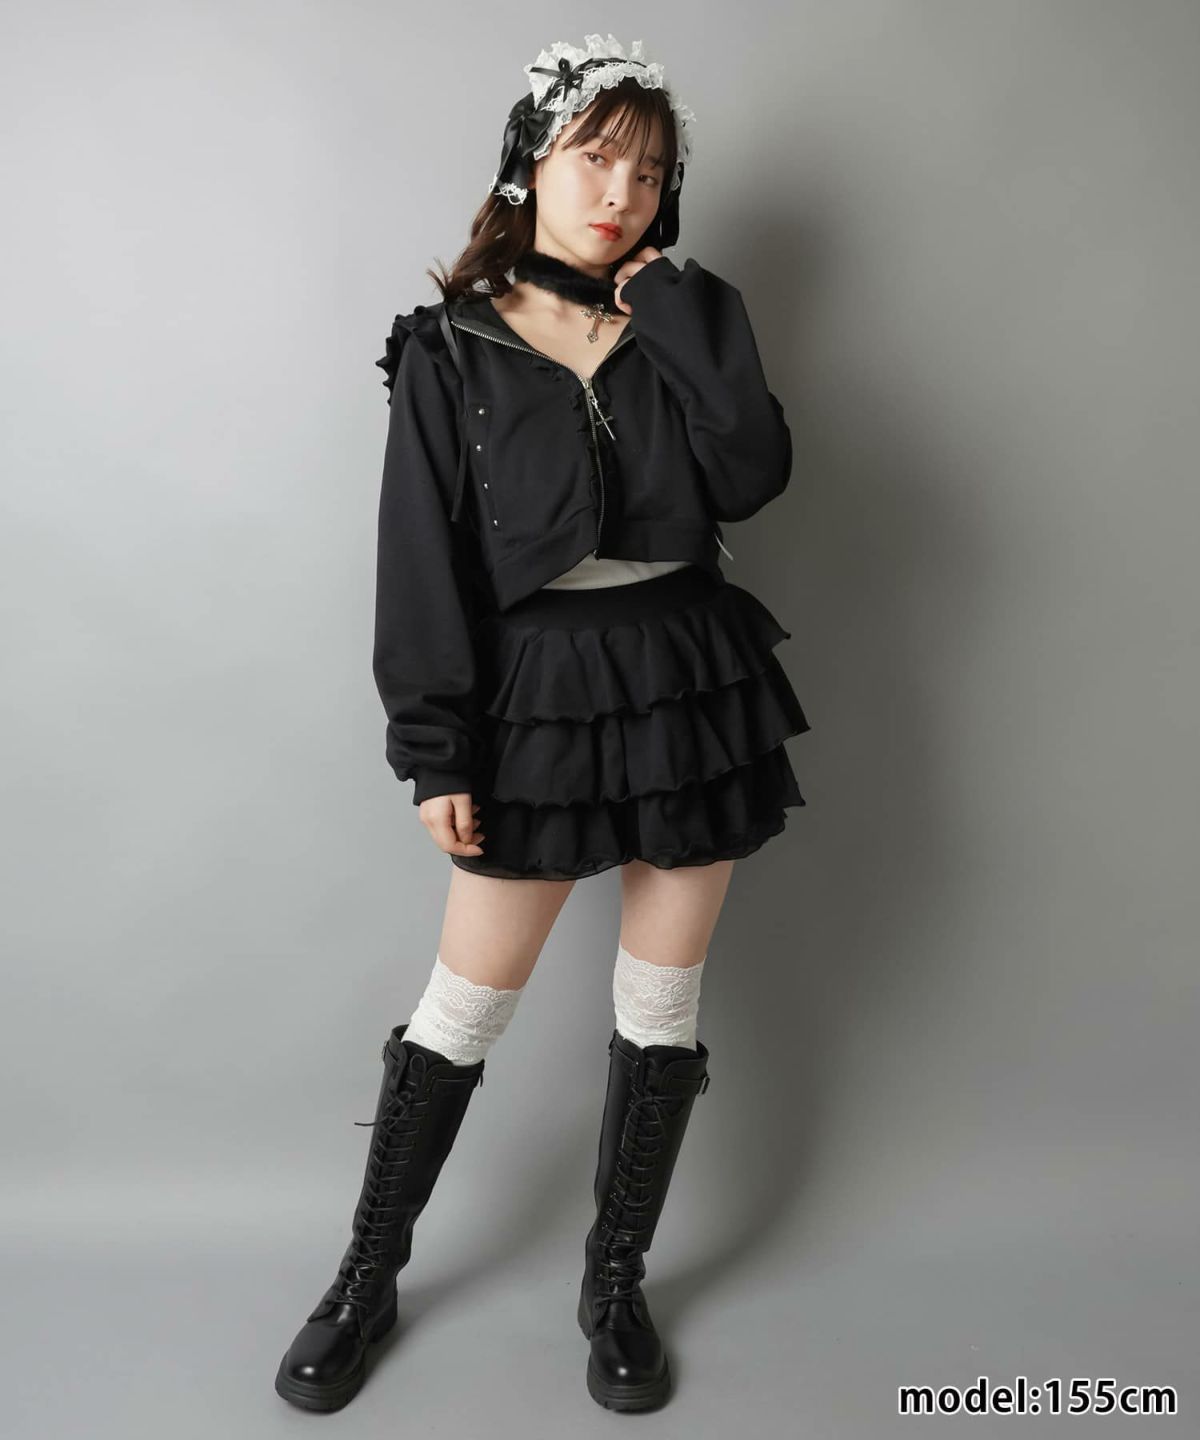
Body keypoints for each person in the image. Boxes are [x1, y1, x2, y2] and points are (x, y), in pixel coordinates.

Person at [275, 33, 811, 1416]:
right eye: (594, 158)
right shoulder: (450, 345)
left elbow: (753, 472)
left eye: (650, 171)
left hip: (689, 675)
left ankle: (615, 1282)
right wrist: (434, 748)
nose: (620, 192)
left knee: (662, 1004)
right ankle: (366, 1276)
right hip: (535, 692)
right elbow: (421, 561)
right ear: (530, 162)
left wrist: (678, 311)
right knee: (464, 1008)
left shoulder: (686, 318)